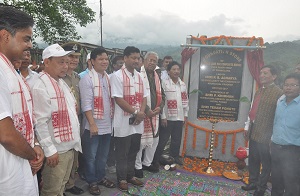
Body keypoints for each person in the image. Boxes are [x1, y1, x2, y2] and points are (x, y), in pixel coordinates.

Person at [0, 5, 44, 195]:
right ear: (5, 36)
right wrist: (32, 155)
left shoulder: (11, 70)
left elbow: (24, 119)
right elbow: (6, 134)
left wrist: (34, 144)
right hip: (8, 173)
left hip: (20, 165)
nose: (30, 45)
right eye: (26, 38)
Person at [32, 44, 82, 196]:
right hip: (56, 151)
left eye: (67, 62)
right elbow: (40, 123)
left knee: (61, 186)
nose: (65, 66)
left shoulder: (60, 82)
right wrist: (50, 150)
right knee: (52, 190)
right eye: (61, 62)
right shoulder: (41, 86)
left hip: (68, 146)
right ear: (47, 62)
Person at [110, 46, 148, 191]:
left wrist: (141, 113)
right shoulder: (117, 76)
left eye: (138, 58)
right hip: (123, 122)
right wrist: (136, 113)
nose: (136, 61)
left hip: (137, 122)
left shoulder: (139, 76)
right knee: (122, 152)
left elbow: (144, 97)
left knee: (134, 149)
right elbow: (119, 99)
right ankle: (122, 179)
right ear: (125, 58)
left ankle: (130, 175)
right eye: (133, 58)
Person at [79, 47, 116, 195]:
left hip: (107, 125)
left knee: (103, 155)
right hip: (92, 126)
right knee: (90, 156)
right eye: (100, 59)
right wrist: (92, 124)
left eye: (106, 59)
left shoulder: (108, 78)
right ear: (92, 61)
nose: (104, 62)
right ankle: (92, 181)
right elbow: (86, 104)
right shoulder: (87, 79)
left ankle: (101, 177)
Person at [241, 65, 283, 196]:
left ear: (274, 76)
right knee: (253, 159)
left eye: (265, 73)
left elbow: (279, 117)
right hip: (254, 131)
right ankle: (253, 182)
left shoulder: (279, 94)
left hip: (266, 134)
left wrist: (273, 136)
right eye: (261, 73)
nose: (262, 75)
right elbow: (253, 110)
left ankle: (261, 187)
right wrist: (247, 126)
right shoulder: (259, 90)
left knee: (265, 163)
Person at [134, 51, 165, 178]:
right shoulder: (138, 75)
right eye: (150, 60)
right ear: (144, 61)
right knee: (141, 142)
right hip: (142, 113)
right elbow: (137, 95)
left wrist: (159, 108)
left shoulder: (157, 77)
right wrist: (147, 110)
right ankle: (137, 166)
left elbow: (163, 95)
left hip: (155, 114)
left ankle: (147, 163)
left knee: (155, 140)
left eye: (154, 61)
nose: (152, 63)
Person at [61, 42, 85, 195]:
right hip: (62, 123)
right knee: (63, 156)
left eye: (77, 57)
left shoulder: (77, 77)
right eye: (71, 56)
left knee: (74, 154)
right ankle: (60, 187)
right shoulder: (58, 77)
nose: (75, 60)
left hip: (77, 121)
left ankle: (70, 184)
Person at [270, 73, 300, 196]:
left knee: (291, 184)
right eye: (286, 85)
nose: (288, 88)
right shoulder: (280, 102)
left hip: (292, 151)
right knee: (276, 182)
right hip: (276, 147)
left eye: (293, 85)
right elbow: (276, 123)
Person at [155, 61, 188, 166]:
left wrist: (185, 115)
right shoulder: (164, 83)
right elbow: (162, 102)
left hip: (179, 117)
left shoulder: (182, 84)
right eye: (174, 69)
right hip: (168, 117)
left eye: (178, 69)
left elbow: (185, 100)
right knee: (163, 139)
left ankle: (174, 157)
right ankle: (156, 158)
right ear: (168, 71)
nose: (176, 71)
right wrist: (163, 117)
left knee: (177, 139)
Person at [106, 55, 124, 174]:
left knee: (121, 142)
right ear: (113, 66)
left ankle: (119, 162)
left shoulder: (126, 78)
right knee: (111, 142)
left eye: (123, 64)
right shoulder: (111, 77)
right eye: (119, 64)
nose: (121, 66)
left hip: (123, 115)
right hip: (111, 115)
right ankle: (110, 163)